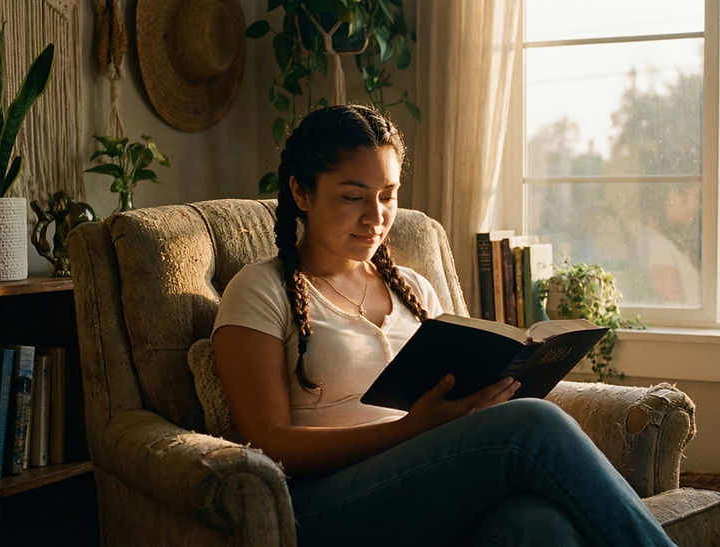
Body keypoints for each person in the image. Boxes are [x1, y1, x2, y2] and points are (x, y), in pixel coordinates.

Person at [212, 104, 675, 547]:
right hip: (321, 505)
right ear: (301, 192)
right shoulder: (260, 290)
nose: (376, 217)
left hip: (420, 486)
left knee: (537, 524)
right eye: (352, 197)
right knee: (535, 424)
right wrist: (408, 430)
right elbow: (268, 444)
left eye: (388, 195)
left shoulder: (413, 290)